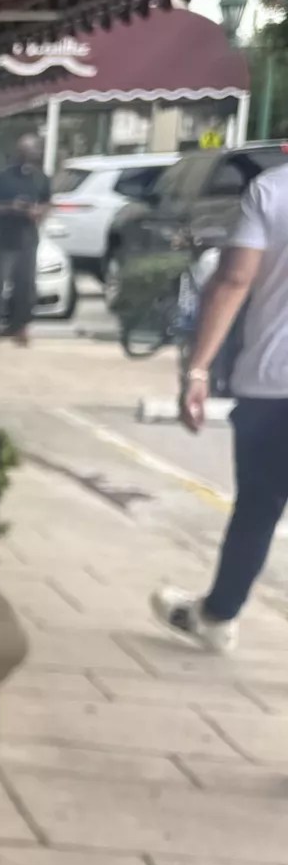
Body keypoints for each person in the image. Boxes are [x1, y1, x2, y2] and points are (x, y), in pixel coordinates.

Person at [153, 157, 288, 652]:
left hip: (273, 383)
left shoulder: (272, 191)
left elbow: (234, 280)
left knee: (258, 507)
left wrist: (198, 369)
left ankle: (218, 616)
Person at [0, 130, 53, 347]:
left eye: (32, 151)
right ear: (17, 152)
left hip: (28, 239)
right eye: (25, 151)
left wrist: (39, 212)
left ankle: (20, 328)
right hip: (3, 238)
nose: (29, 155)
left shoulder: (41, 178)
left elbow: (48, 202)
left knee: (26, 286)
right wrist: (10, 207)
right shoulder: (1, 177)